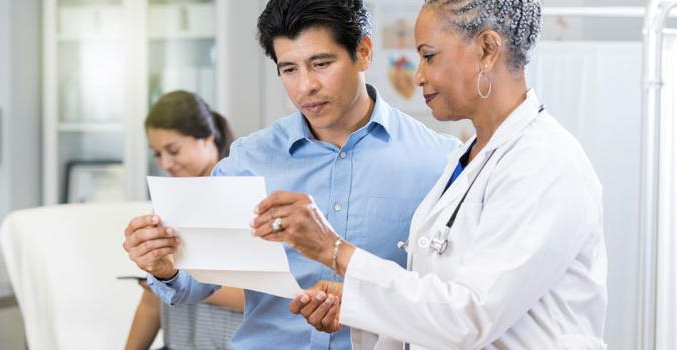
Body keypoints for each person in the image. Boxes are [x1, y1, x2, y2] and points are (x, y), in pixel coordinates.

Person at [253, 1, 608, 349]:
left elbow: (468, 318)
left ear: (487, 50)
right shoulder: (466, 157)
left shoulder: (543, 162)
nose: (418, 75)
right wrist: (358, 304)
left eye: (429, 56)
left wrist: (334, 250)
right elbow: (440, 299)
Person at [121, 0, 461, 349]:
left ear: (363, 52)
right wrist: (165, 267)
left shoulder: (438, 162)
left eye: (321, 64)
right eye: (289, 69)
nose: (305, 86)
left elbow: (447, 298)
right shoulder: (248, 161)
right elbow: (199, 283)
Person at [124, 90, 244, 350]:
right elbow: (150, 302)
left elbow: (259, 296)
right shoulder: (168, 202)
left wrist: (180, 284)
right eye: (156, 153)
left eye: (173, 150)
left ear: (208, 138)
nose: (165, 162)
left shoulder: (242, 196)